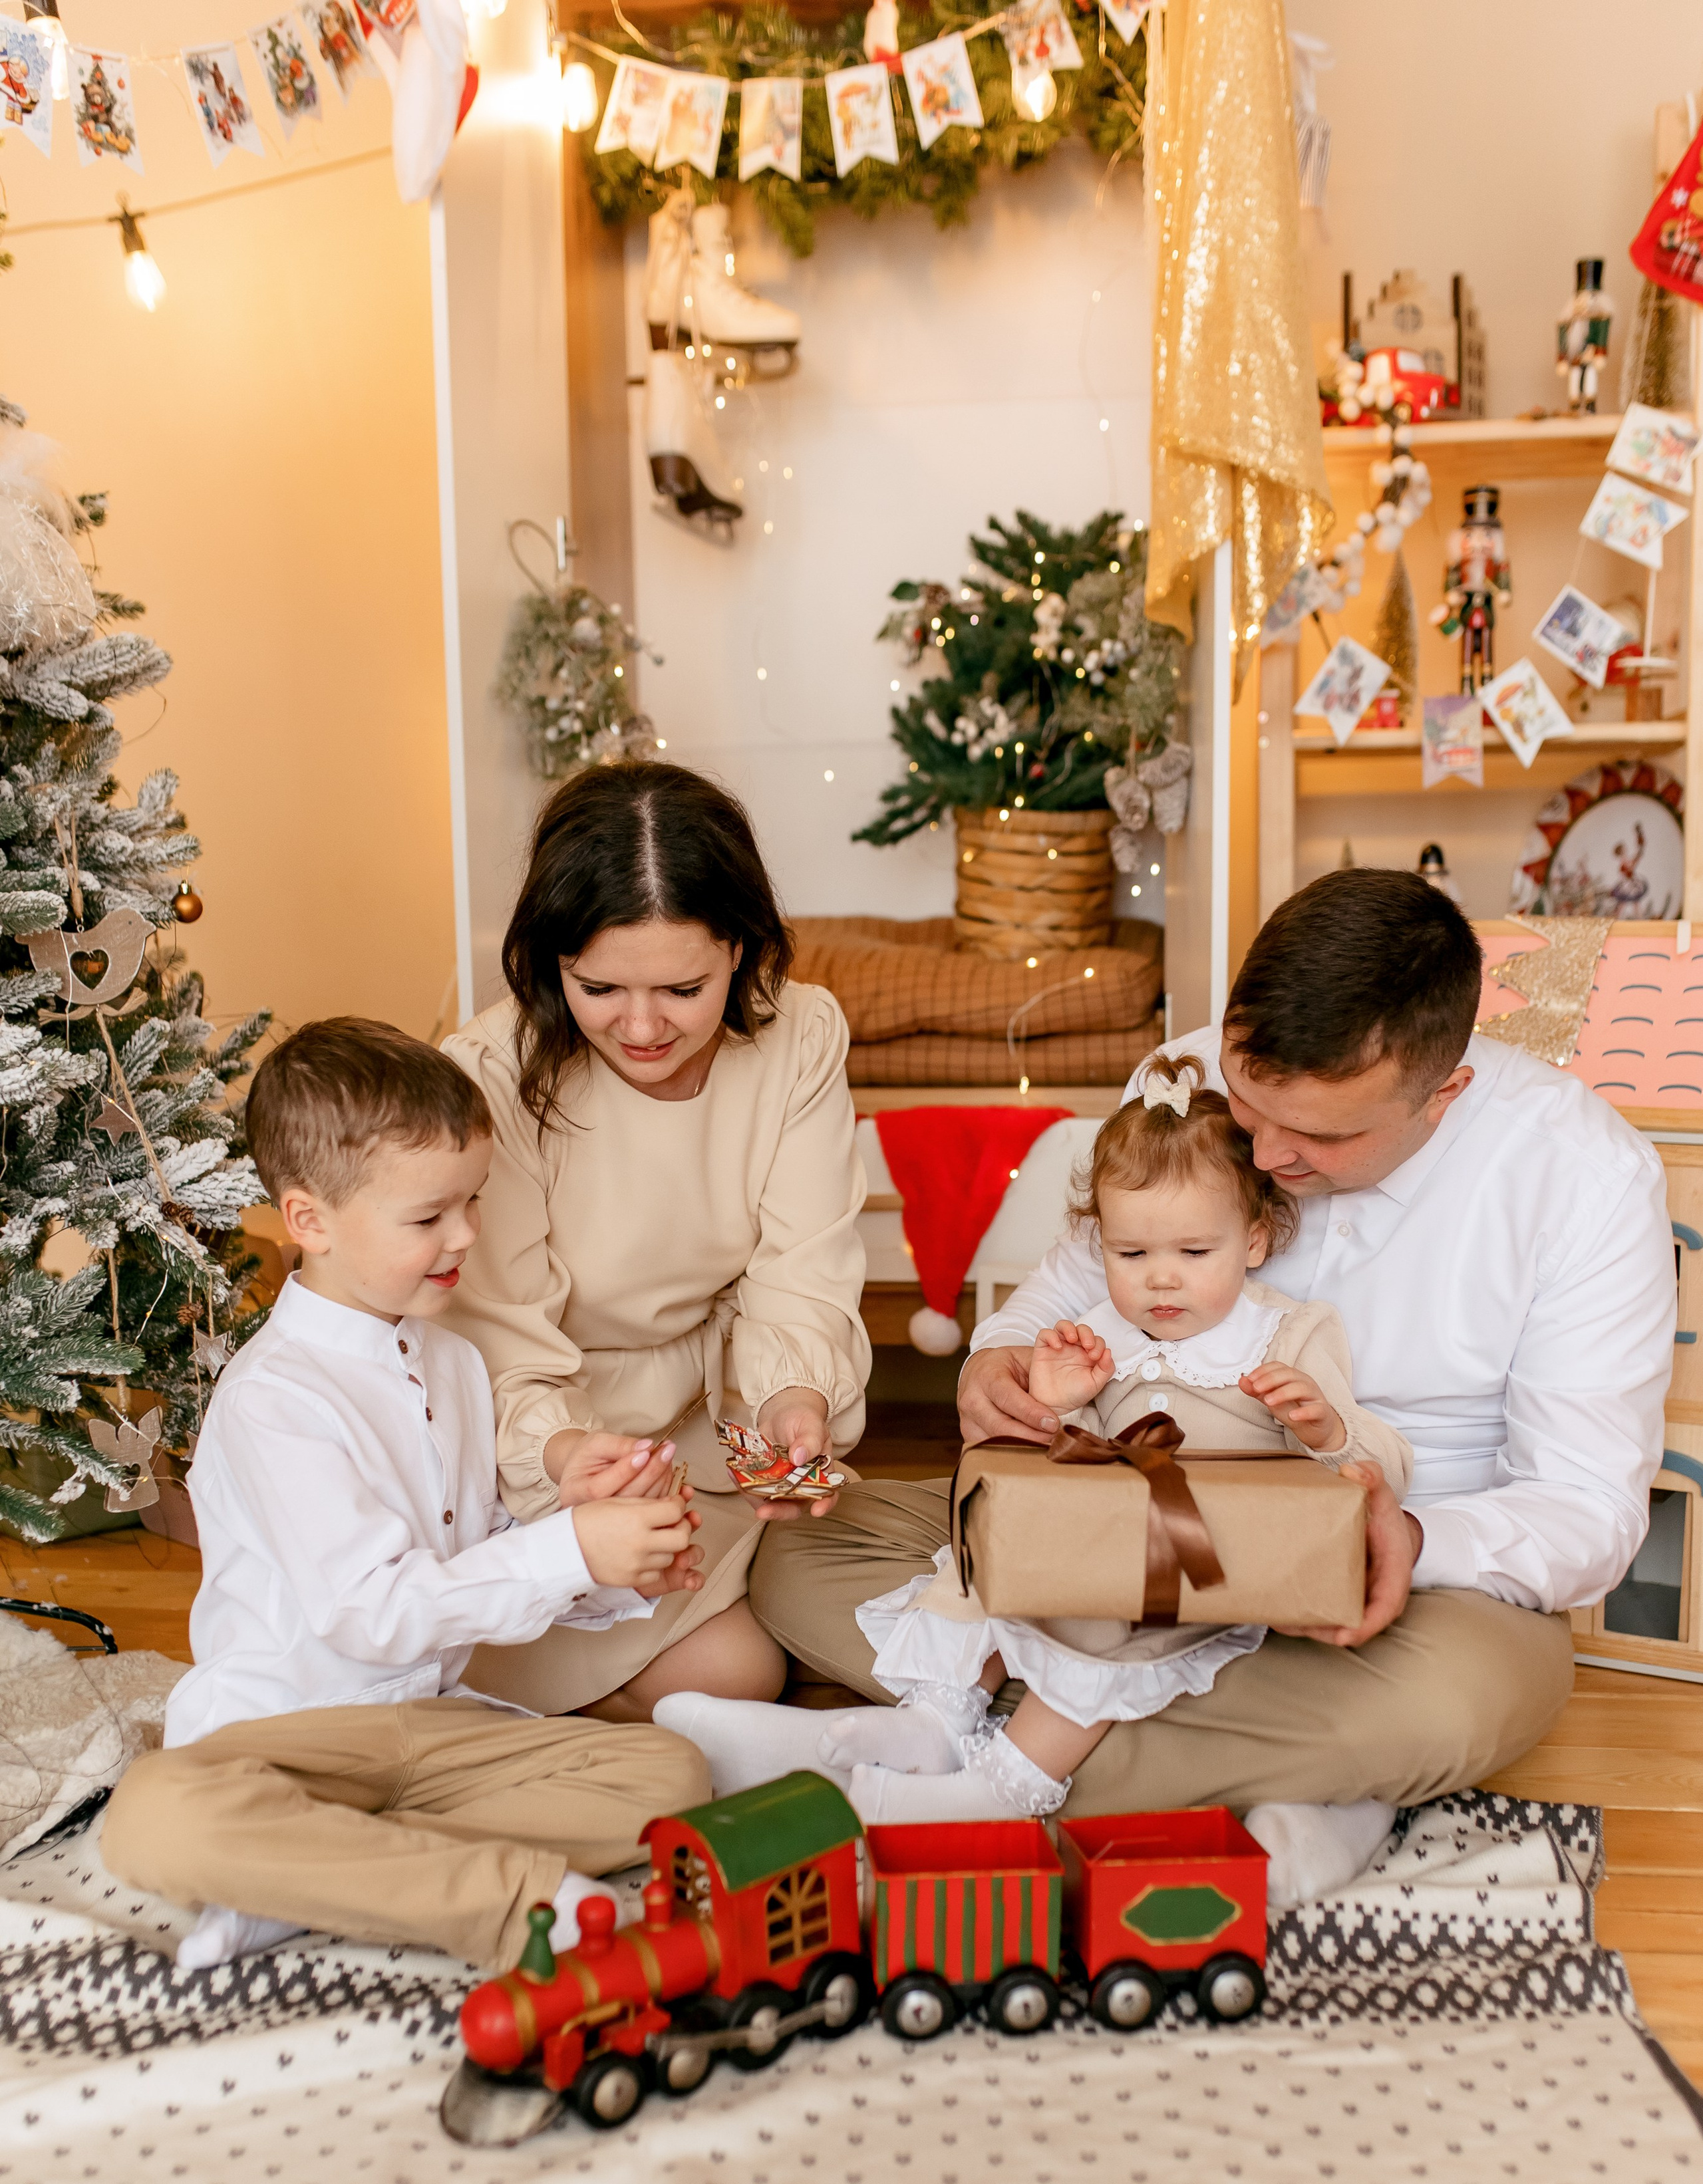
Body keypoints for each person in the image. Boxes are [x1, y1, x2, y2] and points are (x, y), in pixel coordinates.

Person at [737, 869, 1674, 1903]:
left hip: (1390, 1587)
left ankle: (949, 1753)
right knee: (798, 1555)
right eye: (1251, 1102)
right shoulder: (1180, 1082)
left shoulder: (1583, 1177)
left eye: (1321, 1137)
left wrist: (1405, 1541)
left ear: (1441, 1094)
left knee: (1455, 1706)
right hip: (1119, 1530)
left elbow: (1587, 1507)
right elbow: (1066, 1285)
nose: (1267, 1154)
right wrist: (998, 1364)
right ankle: (1302, 1783)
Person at [102, 1020, 709, 1975]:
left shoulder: (455, 1362)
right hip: (285, 1739)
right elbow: (371, 1611)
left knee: (670, 1774)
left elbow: (471, 1554)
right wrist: (568, 1551)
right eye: (429, 1219)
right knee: (155, 1817)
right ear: (310, 1221)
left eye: (473, 1202)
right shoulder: (274, 1400)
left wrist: (603, 1552)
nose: (465, 1235)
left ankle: (309, 1876)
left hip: (430, 1724)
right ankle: (505, 1900)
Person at [833, 1054, 1410, 1838]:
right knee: (979, 1567)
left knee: (1100, 1631)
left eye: (1193, 1254)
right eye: (1131, 1255)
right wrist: (1058, 1404)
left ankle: (1008, 1785)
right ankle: (935, 1719)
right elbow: (1057, 1472)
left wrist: (1325, 1431)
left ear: (1254, 1241)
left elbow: (1381, 1474)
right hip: (1101, 1543)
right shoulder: (1100, 1332)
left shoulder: (1287, 1336)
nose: (1160, 1281)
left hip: (1207, 1568)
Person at [442, 761, 869, 1721]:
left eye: (683, 987)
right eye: (597, 987)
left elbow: (802, 1268)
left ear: (741, 950)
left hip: (717, 1428)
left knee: (844, 1617)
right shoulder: (489, 1078)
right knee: (738, 1675)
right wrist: (565, 1459)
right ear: (549, 962)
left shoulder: (800, 1035)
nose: (641, 1027)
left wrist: (793, 1398)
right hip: (559, 1453)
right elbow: (497, 1344)